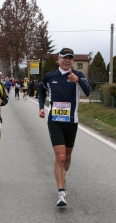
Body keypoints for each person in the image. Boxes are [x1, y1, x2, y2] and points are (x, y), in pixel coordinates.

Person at [38, 48, 91, 207]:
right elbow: (41, 92)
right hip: (54, 120)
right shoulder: (50, 76)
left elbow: (87, 92)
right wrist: (41, 107)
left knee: (67, 157)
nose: (67, 61)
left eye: (70, 58)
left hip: (71, 121)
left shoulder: (79, 75)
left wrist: (78, 81)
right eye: (64, 58)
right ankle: (61, 192)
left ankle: (63, 175)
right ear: (59, 59)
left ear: (72, 61)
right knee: (60, 156)